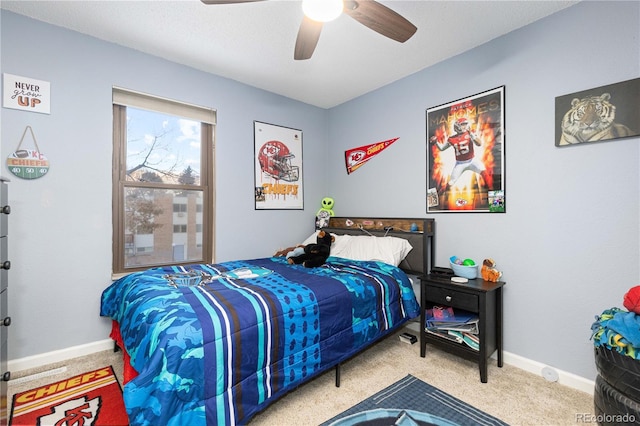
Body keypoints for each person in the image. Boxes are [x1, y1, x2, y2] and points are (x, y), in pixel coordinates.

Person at [429, 117, 492, 192]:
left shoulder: (470, 133)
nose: (465, 126)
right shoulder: (452, 139)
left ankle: (493, 195)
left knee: (485, 174)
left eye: (465, 124)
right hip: (460, 164)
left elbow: (479, 144)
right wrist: (436, 142)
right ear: (457, 126)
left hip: (472, 160)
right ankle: (435, 198)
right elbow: (442, 148)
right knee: (450, 183)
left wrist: (473, 136)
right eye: (463, 124)